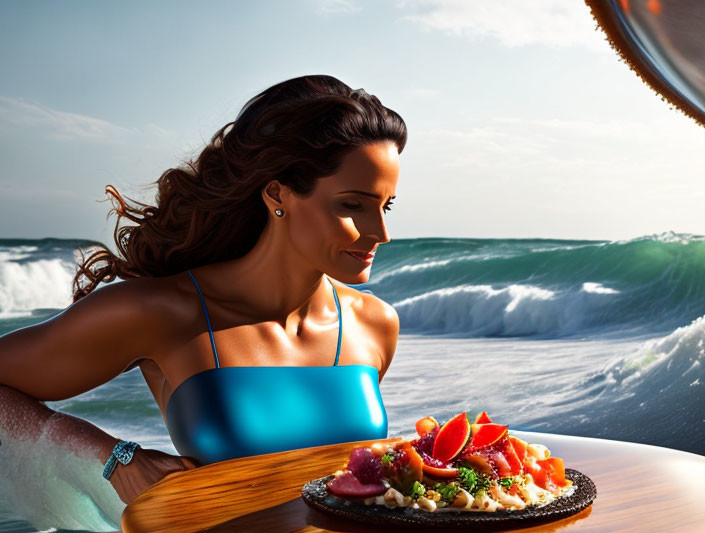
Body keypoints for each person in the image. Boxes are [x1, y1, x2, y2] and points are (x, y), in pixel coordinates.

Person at [0, 75, 405, 505]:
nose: (380, 232)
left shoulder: (375, 325)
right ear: (277, 194)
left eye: (386, 206)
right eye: (352, 205)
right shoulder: (164, 313)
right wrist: (114, 457)